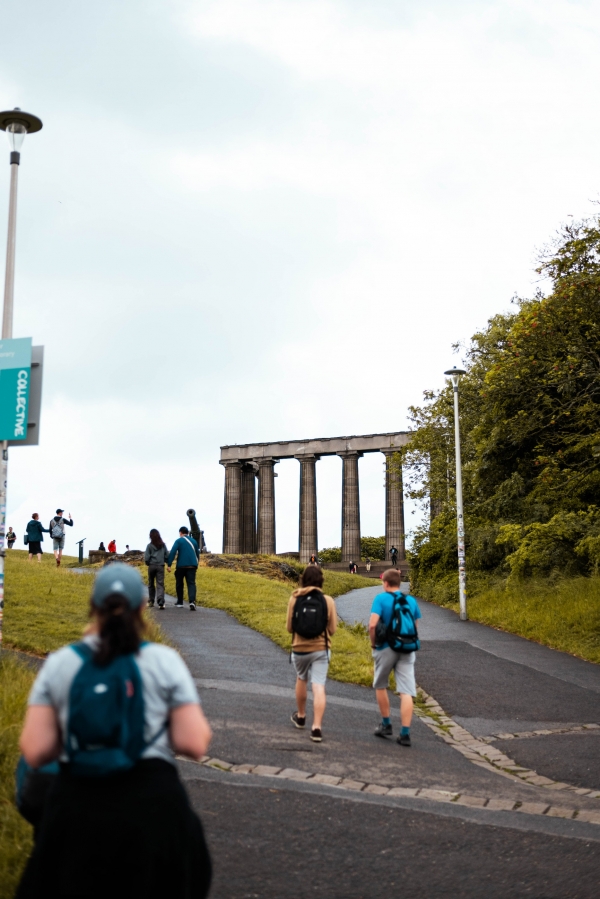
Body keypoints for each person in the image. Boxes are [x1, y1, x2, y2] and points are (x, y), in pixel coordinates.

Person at [16, 563, 212, 899]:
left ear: (93, 606)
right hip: (153, 804)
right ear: (142, 607)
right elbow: (194, 742)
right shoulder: (164, 661)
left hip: (76, 806)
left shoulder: (63, 662)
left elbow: (35, 749)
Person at [370, 568, 422, 747]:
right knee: (406, 691)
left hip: (386, 647)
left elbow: (372, 625)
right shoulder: (411, 600)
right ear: (399, 583)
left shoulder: (380, 599)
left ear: (385, 583)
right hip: (407, 648)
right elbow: (415, 626)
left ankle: (386, 724)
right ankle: (405, 733)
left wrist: (373, 643)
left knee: (381, 684)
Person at [287, 565, 337, 743]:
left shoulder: (295, 598)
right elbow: (332, 630)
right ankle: (316, 728)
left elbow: (289, 628)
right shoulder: (328, 600)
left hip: (299, 648)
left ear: (303, 580)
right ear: (321, 580)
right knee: (318, 686)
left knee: (301, 678)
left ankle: (301, 717)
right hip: (321, 650)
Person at [167, 526, 199, 611]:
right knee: (191, 584)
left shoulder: (179, 541)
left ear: (180, 532)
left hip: (181, 566)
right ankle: (192, 601)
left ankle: (180, 602)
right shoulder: (194, 541)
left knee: (179, 583)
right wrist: (196, 564)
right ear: (187, 533)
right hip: (192, 566)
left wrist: (169, 564)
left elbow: (173, 552)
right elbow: (197, 554)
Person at [145, 529, 169, 609]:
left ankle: (151, 601)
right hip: (160, 566)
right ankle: (160, 601)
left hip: (152, 566)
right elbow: (167, 556)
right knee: (160, 584)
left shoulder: (149, 546)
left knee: (151, 584)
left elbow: (146, 558)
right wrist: (166, 562)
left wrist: (148, 563)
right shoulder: (163, 545)